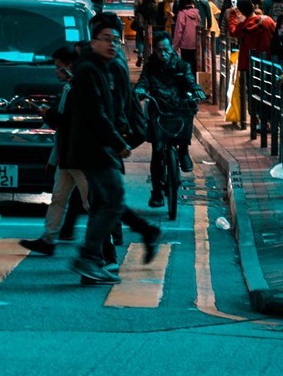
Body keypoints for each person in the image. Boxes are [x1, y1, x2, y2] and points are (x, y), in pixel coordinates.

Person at [64, 14, 160, 286]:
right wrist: (119, 143)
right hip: (93, 147)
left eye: (116, 39)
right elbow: (95, 113)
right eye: (106, 39)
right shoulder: (86, 70)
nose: (112, 44)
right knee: (111, 200)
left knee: (106, 201)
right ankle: (91, 256)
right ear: (93, 40)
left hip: (101, 146)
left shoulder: (107, 66)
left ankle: (95, 260)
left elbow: (117, 106)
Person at [19, 45, 88, 257]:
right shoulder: (70, 87)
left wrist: (48, 113)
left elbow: (69, 122)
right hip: (66, 155)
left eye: (58, 67)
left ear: (69, 67)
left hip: (77, 155)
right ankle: (49, 238)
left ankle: (106, 240)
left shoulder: (77, 89)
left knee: (90, 201)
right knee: (58, 197)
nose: (56, 71)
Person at [138, 31, 200, 206]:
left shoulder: (182, 66)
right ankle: (156, 192)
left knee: (189, 111)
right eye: (159, 50)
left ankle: (184, 150)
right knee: (157, 151)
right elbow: (143, 81)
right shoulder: (150, 66)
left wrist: (196, 90)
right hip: (158, 108)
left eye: (165, 50)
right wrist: (140, 90)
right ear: (155, 51)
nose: (163, 54)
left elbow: (190, 81)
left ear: (171, 49)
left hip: (177, 107)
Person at [229, 0, 276, 130]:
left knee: (253, 92)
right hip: (268, 62)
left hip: (249, 64)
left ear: (241, 11)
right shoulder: (268, 21)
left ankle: (256, 119)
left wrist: (233, 16)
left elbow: (232, 31)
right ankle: (268, 121)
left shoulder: (243, 26)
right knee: (268, 90)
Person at [171, 0, 201, 76]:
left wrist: (175, 45)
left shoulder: (182, 13)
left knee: (186, 62)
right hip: (196, 42)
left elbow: (178, 30)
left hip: (185, 43)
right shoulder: (196, 13)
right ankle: (194, 79)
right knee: (194, 62)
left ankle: (187, 79)